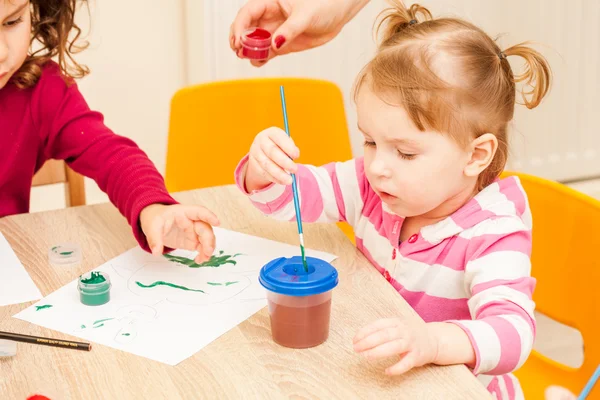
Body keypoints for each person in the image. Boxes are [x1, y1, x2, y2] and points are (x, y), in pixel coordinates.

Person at [233, 1, 552, 399]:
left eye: (405, 152)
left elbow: (514, 334)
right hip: (381, 378)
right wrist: (264, 170)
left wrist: (433, 342)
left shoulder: (493, 231)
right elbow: (291, 201)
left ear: (475, 156)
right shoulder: (373, 187)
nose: (378, 166)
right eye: (370, 140)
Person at [0, 0, 218, 263]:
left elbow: (110, 154)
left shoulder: (41, 91)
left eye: (12, 22)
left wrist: (153, 209)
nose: (2, 52)